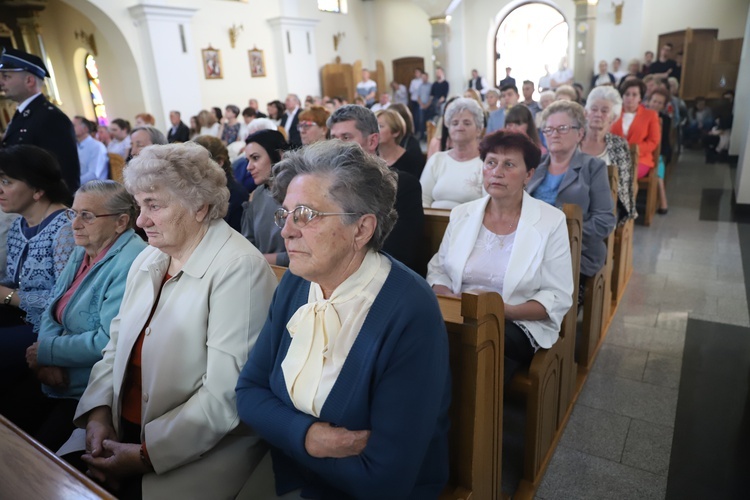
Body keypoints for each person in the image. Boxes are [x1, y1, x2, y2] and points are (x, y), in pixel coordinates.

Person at [235, 139, 450, 499]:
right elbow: (247, 393)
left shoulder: (410, 311)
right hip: (290, 476)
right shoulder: (296, 282)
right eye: (284, 214)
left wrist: (283, 431)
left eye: (305, 215)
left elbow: (385, 479)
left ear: (362, 229)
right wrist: (309, 437)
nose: (286, 230)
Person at [69, 142, 276, 499]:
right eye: (139, 205)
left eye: (154, 206)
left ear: (201, 208)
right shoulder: (150, 256)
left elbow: (225, 396)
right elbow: (115, 345)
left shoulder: (239, 269)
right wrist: (99, 415)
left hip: (196, 454)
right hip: (122, 430)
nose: (140, 220)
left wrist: (145, 455)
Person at [427, 130, 573, 382]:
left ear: (528, 174)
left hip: (518, 322)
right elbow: (439, 269)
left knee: (480, 342)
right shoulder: (462, 214)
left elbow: (557, 294)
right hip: (461, 313)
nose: (497, 171)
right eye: (491, 163)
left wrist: (504, 311)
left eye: (509, 165)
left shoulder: (550, 221)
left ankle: (465, 416)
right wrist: (450, 297)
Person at [19, 181, 146, 451]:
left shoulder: (134, 261)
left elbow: (106, 341)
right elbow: (52, 309)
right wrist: (46, 358)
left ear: (121, 221)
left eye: (86, 216)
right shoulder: (84, 248)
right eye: (73, 213)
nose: (74, 224)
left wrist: (48, 352)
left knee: (36, 451)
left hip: (89, 390)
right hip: (55, 373)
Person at [0, 145, 74, 398]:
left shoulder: (66, 229)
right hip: (19, 315)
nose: (0, 189)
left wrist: (8, 296)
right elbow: (14, 279)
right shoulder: (20, 223)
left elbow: (67, 300)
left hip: (51, 329)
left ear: (38, 189)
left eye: (7, 181)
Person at [528, 100, 616, 295]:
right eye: (548, 129)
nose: (554, 134)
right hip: (529, 247)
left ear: (580, 133)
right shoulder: (534, 165)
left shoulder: (593, 167)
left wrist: (562, 238)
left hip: (575, 252)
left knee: (530, 283)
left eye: (562, 128)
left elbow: (605, 220)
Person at [328, 105, 424, 271]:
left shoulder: (403, 185)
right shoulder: (327, 186)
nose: (336, 146)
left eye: (345, 137)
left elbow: (399, 253)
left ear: (372, 141)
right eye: (333, 138)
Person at [0, 48, 80, 197]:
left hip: (42, 206)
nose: (1, 82)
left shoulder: (50, 117)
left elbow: (63, 173)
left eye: (6, 76)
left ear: (29, 81)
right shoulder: (24, 114)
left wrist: (61, 212)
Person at [580, 85, 637, 224]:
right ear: (586, 113)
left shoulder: (619, 145)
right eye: (594, 109)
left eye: (605, 111)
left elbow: (623, 186)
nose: (598, 114)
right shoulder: (574, 138)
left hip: (603, 208)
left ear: (614, 117)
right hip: (572, 202)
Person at [420, 98, 484, 208]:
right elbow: (422, 199)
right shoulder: (437, 160)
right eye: (455, 123)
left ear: (479, 129)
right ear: (448, 128)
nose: (460, 127)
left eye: (467, 123)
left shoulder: (486, 164)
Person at [240, 130, 290, 266]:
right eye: (248, 160)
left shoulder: (296, 193)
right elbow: (247, 243)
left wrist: (260, 259)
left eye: (255, 158)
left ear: (279, 155)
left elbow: (307, 251)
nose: (249, 167)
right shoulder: (257, 194)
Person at [193, 135, 249, 232]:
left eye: (200, 165)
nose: (194, 171)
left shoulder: (237, 195)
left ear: (219, 162)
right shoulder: (199, 190)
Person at [611, 79, 660, 179]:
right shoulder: (613, 114)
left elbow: (653, 142)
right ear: (622, 96)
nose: (630, 98)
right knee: (601, 172)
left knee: (623, 174)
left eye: (634, 95)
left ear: (640, 97)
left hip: (640, 158)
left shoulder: (650, 115)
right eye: (627, 94)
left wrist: (632, 149)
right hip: (614, 157)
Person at [376, 109, 426, 179]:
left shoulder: (411, 162)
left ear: (396, 132)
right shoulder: (369, 159)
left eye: (380, 126)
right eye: (373, 125)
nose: (374, 130)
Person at [646, 89, 671, 214]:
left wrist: (659, 154)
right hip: (644, 150)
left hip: (659, 151)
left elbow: (664, 141)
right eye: (654, 101)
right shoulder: (642, 115)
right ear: (649, 101)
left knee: (658, 170)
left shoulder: (664, 119)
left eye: (660, 103)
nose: (656, 104)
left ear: (663, 106)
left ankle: (663, 202)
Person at [74, 116, 109, 184]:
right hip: (82, 186)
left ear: (85, 129)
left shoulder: (97, 146)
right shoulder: (76, 145)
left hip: (95, 187)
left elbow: (93, 175)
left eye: (74, 125)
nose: (71, 128)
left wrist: (74, 183)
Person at [417, 71, 433, 139]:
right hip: (421, 107)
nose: (423, 78)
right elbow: (418, 97)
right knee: (421, 122)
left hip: (429, 107)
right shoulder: (420, 86)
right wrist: (422, 104)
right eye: (422, 77)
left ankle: (428, 136)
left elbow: (432, 97)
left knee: (429, 122)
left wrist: (427, 105)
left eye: (424, 77)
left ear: (427, 77)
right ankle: (422, 136)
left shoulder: (431, 85)